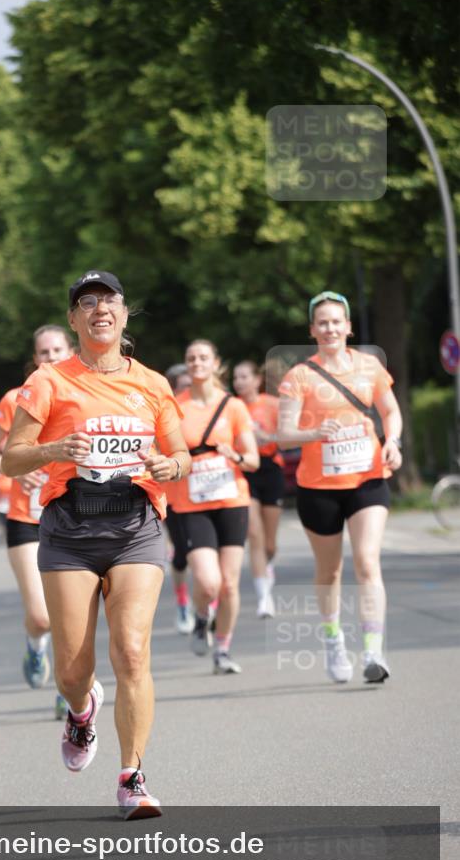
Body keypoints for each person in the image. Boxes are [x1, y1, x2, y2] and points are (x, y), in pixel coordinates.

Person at [2, 270, 190, 819]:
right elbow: (13, 457)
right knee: (72, 670)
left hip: (136, 527)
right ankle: (81, 711)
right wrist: (55, 446)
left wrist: (167, 463)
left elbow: (182, 457)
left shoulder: (153, 384)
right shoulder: (48, 382)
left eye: (109, 300)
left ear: (125, 315)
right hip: (70, 531)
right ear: (73, 320)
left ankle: (133, 777)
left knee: (131, 650)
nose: (99, 309)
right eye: (87, 302)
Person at [278, 291, 403, 684]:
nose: (330, 328)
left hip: (367, 478)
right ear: (313, 330)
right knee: (330, 572)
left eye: (337, 321)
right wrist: (315, 432)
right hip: (318, 487)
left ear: (348, 327)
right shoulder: (298, 376)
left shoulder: (369, 367)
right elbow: (283, 435)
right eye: (323, 323)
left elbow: (391, 411)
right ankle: (333, 640)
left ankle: (372, 650)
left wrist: (393, 442)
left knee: (367, 561)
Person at [0, 325, 74, 719]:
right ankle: (36, 649)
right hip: (25, 517)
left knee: (69, 615)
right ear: (34, 359)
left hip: (69, 515)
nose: (50, 357)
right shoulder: (15, 400)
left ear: (69, 351)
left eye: (56, 350)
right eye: (43, 352)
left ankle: (69, 692)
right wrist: (15, 471)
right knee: (41, 615)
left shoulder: (82, 397)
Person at [171, 340, 259, 674]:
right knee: (208, 582)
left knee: (230, 583)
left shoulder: (233, 407)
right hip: (191, 504)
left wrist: (233, 455)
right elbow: (162, 451)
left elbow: (251, 460)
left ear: (216, 363)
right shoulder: (175, 407)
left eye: (203, 357)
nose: (197, 363)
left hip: (231, 499)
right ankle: (202, 617)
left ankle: (222, 649)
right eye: (191, 358)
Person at [233, 360, 286, 619]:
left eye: (244, 377)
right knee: (254, 533)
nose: (239, 382)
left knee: (270, 543)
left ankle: (269, 565)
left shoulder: (271, 404)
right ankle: (264, 597)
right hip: (245, 470)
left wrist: (268, 438)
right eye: (236, 378)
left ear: (256, 380)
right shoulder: (232, 407)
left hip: (271, 468)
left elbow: (288, 439)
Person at [163, 363, 195, 634]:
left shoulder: (207, 409)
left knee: (211, 558)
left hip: (208, 496)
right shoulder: (168, 413)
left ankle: (210, 605)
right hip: (175, 496)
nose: (188, 388)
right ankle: (183, 601)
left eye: (190, 383)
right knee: (183, 555)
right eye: (183, 385)